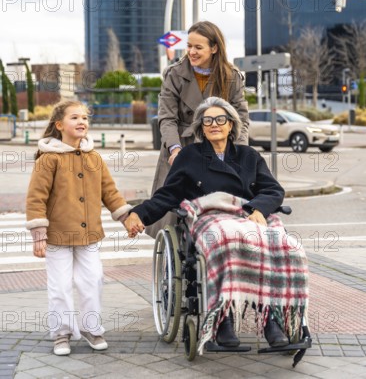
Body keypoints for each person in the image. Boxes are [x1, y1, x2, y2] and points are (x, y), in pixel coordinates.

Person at [125, 97, 309, 350]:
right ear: (201, 127)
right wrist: (139, 214)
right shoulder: (189, 156)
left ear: (231, 125)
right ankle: (223, 319)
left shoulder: (248, 155)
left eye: (220, 119)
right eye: (208, 120)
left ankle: (272, 320)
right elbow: (169, 194)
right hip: (210, 216)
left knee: (285, 245)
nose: (214, 124)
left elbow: (273, 190)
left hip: (248, 215)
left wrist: (257, 208)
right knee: (226, 240)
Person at [26, 100, 132, 356]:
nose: (82, 121)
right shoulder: (48, 159)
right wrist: (39, 235)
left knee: (92, 280)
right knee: (60, 285)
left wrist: (127, 217)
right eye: (75, 117)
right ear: (59, 125)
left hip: (89, 234)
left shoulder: (94, 158)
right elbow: (35, 197)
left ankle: (90, 327)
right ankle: (62, 332)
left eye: (85, 117)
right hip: (57, 235)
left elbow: (110, 192)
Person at [146, 20, 250, 238]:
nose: (191, 52)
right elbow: (167, 118)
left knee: (221, 207)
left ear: (214, 48)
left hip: (218, 148)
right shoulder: (174, 74)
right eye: (189, 46)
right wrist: (174, 149)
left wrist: (238, 153)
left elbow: (241, 119)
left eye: (198, 47)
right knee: (173, 215)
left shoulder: (231, 77)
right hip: (181, 146)